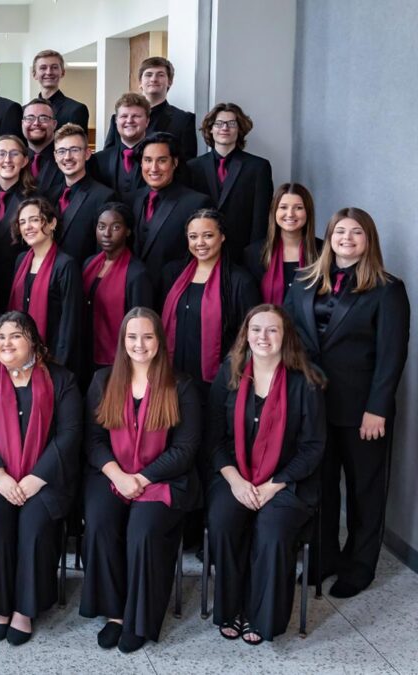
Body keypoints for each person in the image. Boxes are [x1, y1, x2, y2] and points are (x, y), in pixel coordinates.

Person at [284, 208, 410, 598]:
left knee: (364, 489)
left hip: (362, 411)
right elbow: (291, 339)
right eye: (341, 231)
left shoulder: (387, 289)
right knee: (320, 486)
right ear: (329, 236)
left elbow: (392, 356)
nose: (347, 238)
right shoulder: (303, 281)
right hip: (313, 407)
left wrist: (377, 407)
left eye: (357, 233)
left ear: (368, 240)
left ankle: (360, 566)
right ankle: (324, 558)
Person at [79, 307, 202, 653]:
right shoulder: (103, 380)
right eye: (132, 337)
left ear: (160, 341)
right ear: (122, 341)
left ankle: (140, 618)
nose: (139, 344)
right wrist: (118, 474)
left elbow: (186, 449)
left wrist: (143, 477)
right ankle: (115, 613)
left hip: (164, 478)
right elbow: (93, 440)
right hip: (111, 474)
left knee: (143, 531)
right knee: (101, 522)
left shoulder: (181, 385)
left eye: (147, 336)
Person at [0, 311, 82, 645]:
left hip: (45, 478)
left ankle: (25, 609)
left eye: (15, 336)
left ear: (34, 342)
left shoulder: (60, 378)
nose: (5, 343)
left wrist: (35, 479)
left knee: (34, 523)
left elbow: (69, 434)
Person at [205, 305, 326, 643]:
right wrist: (236, 481)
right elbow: (213, 441)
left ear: (285, 336)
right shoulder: (228, 373)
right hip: (234, 476)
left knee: (272, 531)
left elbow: (313, 447)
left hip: (288, 481)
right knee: (224, 521)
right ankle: (230, 608)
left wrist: (273, 486)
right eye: (256, 329)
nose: (263, 337)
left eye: (272, 330)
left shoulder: (307, 381)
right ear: (246, 334)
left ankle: (263, 616)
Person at [160, 209, 261, 386]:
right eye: (193, 237)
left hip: (219, 380)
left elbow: (248, 336)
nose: (200, 243)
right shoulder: (173, 275)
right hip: (173, 376)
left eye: (208, 236)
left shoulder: (240, 282)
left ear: (222, 237)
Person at [186, 103, 274, 253]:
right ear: (210, 129)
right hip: (202, 251)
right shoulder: (192, 167)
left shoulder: (259, 167)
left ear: (239, 129)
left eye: (231, 123)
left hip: (242, 251)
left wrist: (254, 254)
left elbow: (261, 218)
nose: (224, 128)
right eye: (218, 123)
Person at [6, 198, 82, 369]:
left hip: (53, 358)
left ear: (52, 223)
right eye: (22, 222)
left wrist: (58, 365)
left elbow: (70, 322)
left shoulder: (65, 265)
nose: (28, 227)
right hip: (21, 357)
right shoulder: (21, 261)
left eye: (35, 220)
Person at [131, 132, 213, 291]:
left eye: (161, 160)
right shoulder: (130, 199)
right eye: (148, 160)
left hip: (174, 293)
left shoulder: (197, 203)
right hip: (134, 295)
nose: (153, 168)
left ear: (174, 162)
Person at [81, 203, 155, 374]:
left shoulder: (137, 273)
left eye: (115, 227)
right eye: (101, 227)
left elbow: (141, 324)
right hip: (86, 351)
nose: (106, 234)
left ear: (128, 231)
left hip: (117, 359)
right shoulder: (88, 264)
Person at [103, 57, 198, 158]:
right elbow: (108, 157)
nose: (153, 79)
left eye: (160, 75)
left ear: (170, 81)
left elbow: (188, 161)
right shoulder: (119, 119)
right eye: (148, 75)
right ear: (140, 82)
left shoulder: (184, 120)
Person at [244, 183, 322, 305]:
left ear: (308, 212)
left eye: (298, 208)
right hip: (267, 322)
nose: (290, 214)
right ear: (274, 211)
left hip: (310, 324)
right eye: (283, 207)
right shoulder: (254, 253)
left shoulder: (323, 251)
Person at [0, 135, 39, 290]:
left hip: (20, 280)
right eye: (1, 154)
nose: (7, 159)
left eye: (14, 154)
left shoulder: (37, 201)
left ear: (25, 161)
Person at [51, 124, 117, 261]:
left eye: (74, 150)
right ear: (55, 156)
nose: (67, 157)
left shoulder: (105, 197)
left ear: (87, 154)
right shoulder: (49, 194)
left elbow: (104, 252)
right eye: (62, 151)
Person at [90, 93, 150, 203]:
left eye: (136, 116)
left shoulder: (158, 160)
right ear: (116, 121)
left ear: (147, 121)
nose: (129, 120)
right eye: (124, 116)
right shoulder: (99, 160)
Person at [31, 49, 89, 129]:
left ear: (63, 73)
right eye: (43, 68)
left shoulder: (76, 110)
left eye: (54, 67)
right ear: (34, 74)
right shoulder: (24, 111)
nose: (49, 72)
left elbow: (78, 141)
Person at [21, 97, 63, 197]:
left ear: (54, 124)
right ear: (22, 124)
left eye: (43, 118)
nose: (36, 123)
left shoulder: (67, 158)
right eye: (30, 118)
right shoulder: (13, 159)